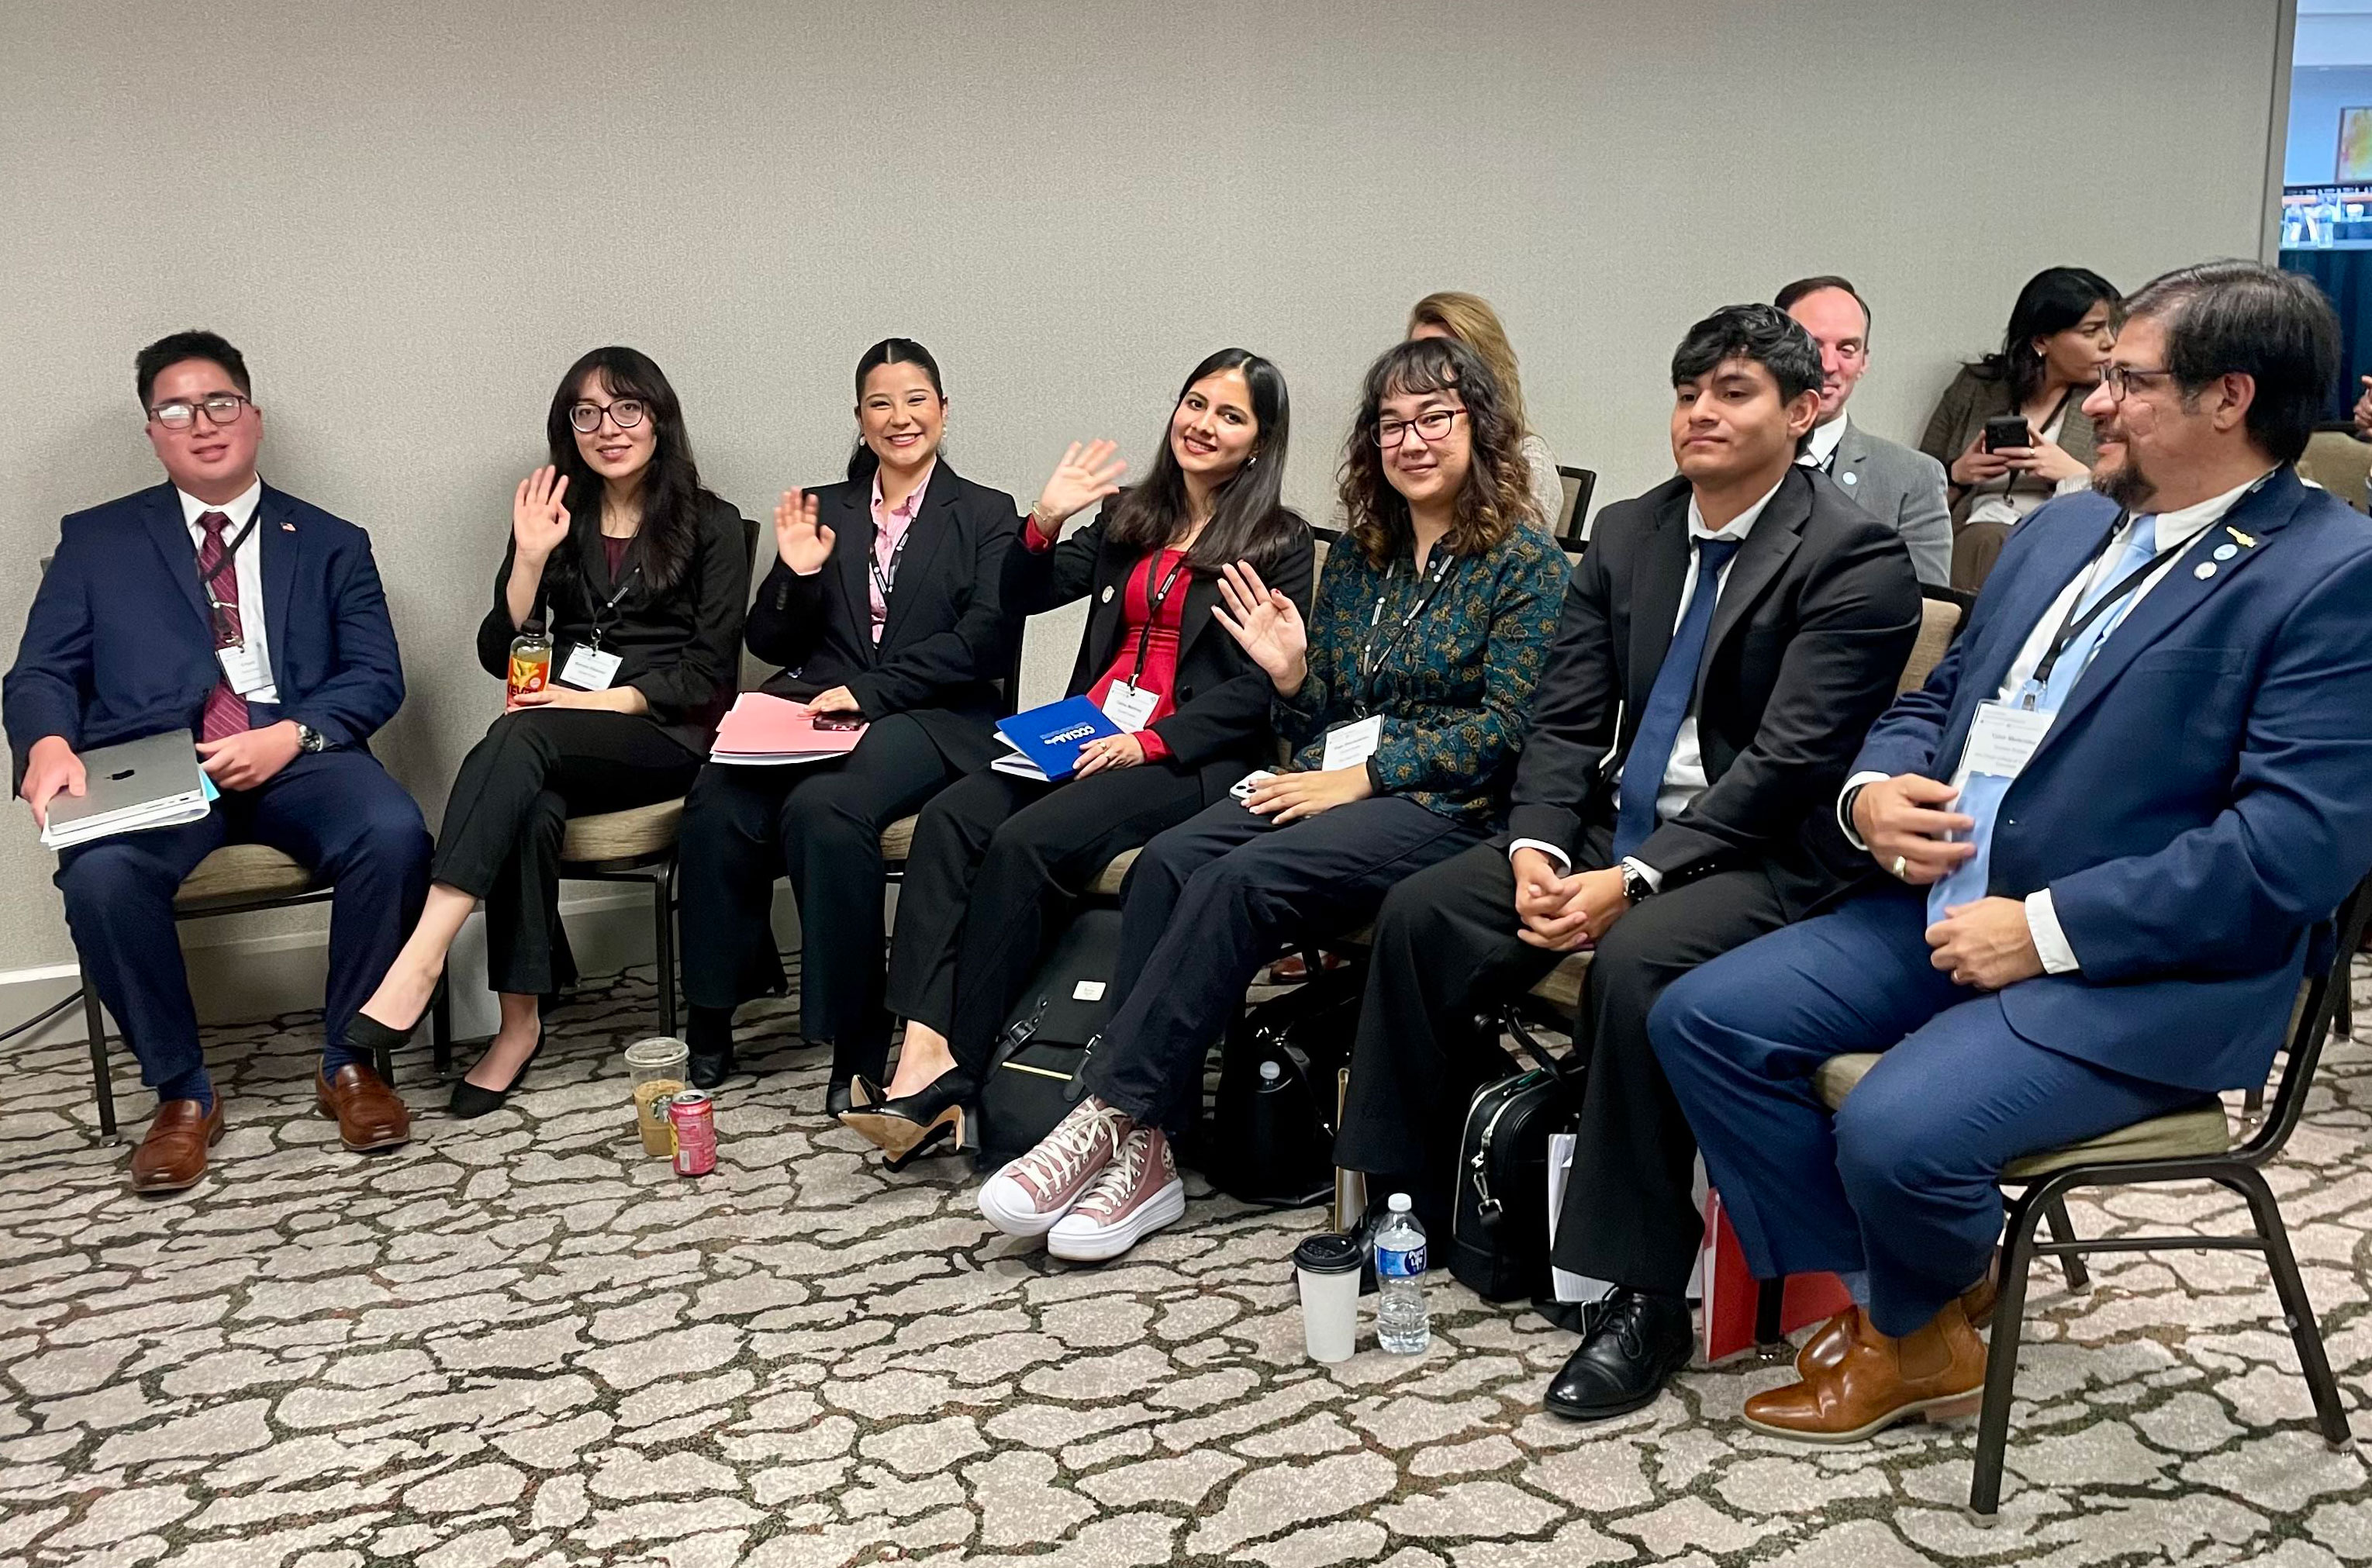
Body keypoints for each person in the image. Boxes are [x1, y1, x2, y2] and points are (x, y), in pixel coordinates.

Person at [1650, 261, 2372, 1443]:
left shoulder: (2327, 576)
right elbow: (1937, 699)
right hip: (1941, 902)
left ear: (2227, 397)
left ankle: (1905, 1314)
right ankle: (1915, 1313)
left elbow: (2286, 853)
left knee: (1893, 1127)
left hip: (2142, 967)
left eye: (2127, 380)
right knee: (1700, 1018)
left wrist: (2042, 931)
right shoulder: (2070, 525)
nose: (2090, 397)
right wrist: (1872, 792)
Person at [1334, 304, 1922, 1420]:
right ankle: (1399, 1203)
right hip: (1620, 824)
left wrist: (1631, 884)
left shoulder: (1855, 558)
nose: (1699, 410)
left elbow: (1789, 766)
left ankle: (1638, 1295)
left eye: (1734, 392)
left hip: (1764, 856)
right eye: (1687, 389)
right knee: (1424, 910)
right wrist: (1538, 847)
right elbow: (1560, 722)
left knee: (1636, 963)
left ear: (1802, 413)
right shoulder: (1629, 535)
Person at [975, 336, 1569, 1263]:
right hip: (1328, 779)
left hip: (1444, 809)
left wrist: (1356, 779)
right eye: (1390, 424)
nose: (1409, 441)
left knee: (1240, 883)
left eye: (1434, 420)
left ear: (1479, 431)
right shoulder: (1365, 557)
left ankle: (1110, 1114)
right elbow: (1323, 708)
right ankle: (1152, 1154)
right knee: (1171, 861)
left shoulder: (1527, 566)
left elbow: (1506, 729)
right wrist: (1292, 675)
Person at [841, 350, 1315, 1164]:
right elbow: (1022, 594)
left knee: (1026, 843)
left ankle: (971, 1058)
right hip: (1081, 731)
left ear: (1260, 440)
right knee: (953, 819)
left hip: (1181, 757)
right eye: (1194, 403)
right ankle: (923, 1052)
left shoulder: (1279, 540)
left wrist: (1149, 741)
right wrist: (1044, 520)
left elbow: (1258, 691)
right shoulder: (1133, 515)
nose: (1203, 425)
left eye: (1230, 416)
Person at [4, 331, 432, 1190]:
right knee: (100, 879)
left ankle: (350, 1059)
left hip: (295, 749)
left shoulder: (331, 540)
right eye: (175, 410)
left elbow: (376, 676)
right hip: (160, 766)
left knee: (394, 833)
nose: (202, 424)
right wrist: (46, 740)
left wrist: (292, 735)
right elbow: (41, 670)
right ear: (153, 431)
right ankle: (181, 1095)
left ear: (254, 417)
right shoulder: (97, 542)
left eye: (219, 403)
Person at [346, 347, 751, 1114]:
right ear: (569, 429)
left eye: (627, 408)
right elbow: (499, 651)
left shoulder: (713, 524)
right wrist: (528, 562)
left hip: (663, 738)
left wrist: (585, 704)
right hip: (558, 735)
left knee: (516, 738)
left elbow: (707, 679)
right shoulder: (554, 518)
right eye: (587, 413)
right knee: (524, 795)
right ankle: (518, 1023)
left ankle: (424, 952)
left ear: (659, 418)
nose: (608, 427)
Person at [673, 340, 1019, 1107]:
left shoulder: (987, 514)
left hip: (932, 716)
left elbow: (982, 641)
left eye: (916, 399)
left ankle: (854, 1043)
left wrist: (872, 690)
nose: (900, 418)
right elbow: (767, 642)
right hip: (813, 713)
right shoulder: (824, 508)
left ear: (943, 409)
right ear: (859, 419)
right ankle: (712, 1015)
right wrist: (795, 577)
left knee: (826, 810)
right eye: (880, 403)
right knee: (718, 800)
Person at [1920, 266, 2119, 592]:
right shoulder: (1976, 388)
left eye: (2110, 328)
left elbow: (2135, 501)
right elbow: (1916, 491)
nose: (2109, 343)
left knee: (1998, 543)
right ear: (2042, 340)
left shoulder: (2109, 401)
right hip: (1970, 541)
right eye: (2091, 331)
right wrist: (1957, 474)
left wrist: (2076, 475)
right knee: (1986, 538)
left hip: (2056, 549)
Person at [1775, 275, 1952, 585]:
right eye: (1812, 345)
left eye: (1847, 349)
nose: (1828, 365)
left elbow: (1927, 612)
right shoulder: (1723, 455)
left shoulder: (1912, 477)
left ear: (1864, 362)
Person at [1408, 292, 1567, 535]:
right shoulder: (1392, 450)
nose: (1428, 372)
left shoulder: (1527, 460)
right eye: (1415, 357)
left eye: (1447, 358)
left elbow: (1520, 563)